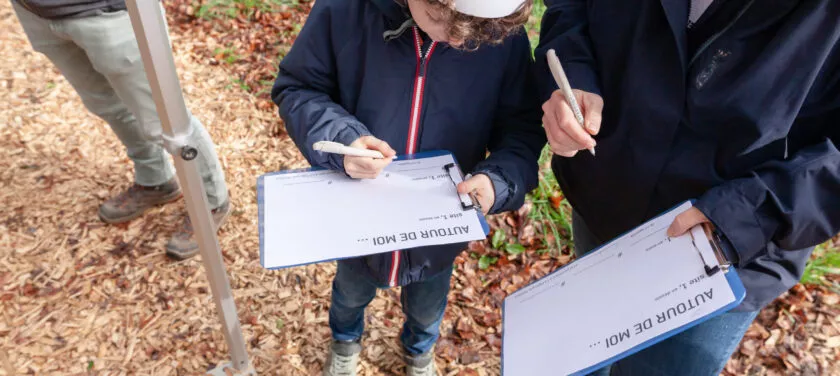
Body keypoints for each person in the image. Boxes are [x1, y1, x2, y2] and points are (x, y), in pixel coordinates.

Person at [534, 0, 840, 374]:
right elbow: (572, 7)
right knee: (581, 356)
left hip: (724, 255)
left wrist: (745, 215)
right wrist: (572, 77)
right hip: (606, 199)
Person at [271, 0, 546, 374]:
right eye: (441, 19)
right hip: (360, 220)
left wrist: (499, 180)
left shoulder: (499, 32)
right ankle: (345, 340)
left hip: (438, 230)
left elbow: (521, 128)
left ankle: (419, 350)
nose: (456, 37)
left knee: (427, 305)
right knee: (350, 293)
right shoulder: (345, 11)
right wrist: (344, 140)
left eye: (476, 29)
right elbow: (300, 88)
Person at [11, 0, 231, 260]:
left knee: (168, 120)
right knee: (107, 105)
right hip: (36, 12)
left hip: (111, 13)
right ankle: (156, 180)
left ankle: (211, 201)